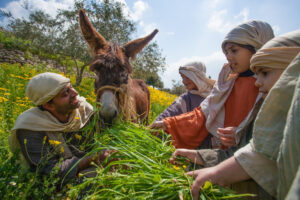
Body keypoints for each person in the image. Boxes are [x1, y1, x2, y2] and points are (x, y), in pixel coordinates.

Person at [187, 30, 300, 200]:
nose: (257, 82)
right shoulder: (228, 85)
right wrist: (203, 158)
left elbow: (259, 159)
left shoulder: (265, 101)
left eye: (265, 73)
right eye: (226, 52)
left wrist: (216, 171)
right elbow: (257, 154)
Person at [150, 20, 274, 150]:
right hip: (219, 156)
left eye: (234, 50)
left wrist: (242, 135)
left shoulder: (273, 87)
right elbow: (202, 115)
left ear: (257, 47)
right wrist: (167, 123)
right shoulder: (225, 85)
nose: (228, 57)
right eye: (226, 52)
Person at [9, 72, 111, 184]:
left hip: (88, 167)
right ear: (48, 105)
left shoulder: (82, 109)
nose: (75, 93)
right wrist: (93, 158)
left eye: (71, 87)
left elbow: (108, 129)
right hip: (55, 184)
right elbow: (49, 171)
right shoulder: (30, 128)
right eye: (66, 93)